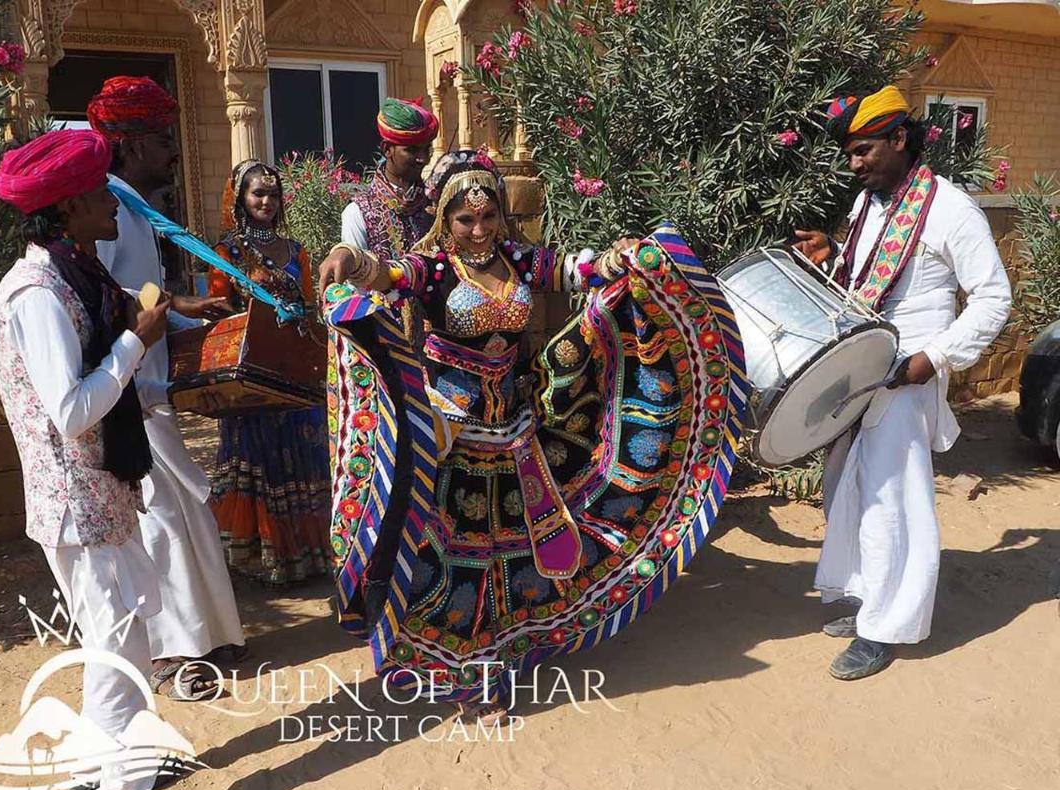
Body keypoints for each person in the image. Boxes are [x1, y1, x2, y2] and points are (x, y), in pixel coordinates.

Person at [318, 151, 747, 724]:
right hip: (453, 435)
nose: (478, 229)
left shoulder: (519, 260)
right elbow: (386, 274)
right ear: (446, 219)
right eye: (466, 220)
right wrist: (350, 255)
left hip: (516, 429)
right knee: (453, 551)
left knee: (512, 549)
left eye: (488, 216)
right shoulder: (436, 269)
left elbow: (578, 269)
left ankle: (502, 651)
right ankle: (460, 667)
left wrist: (621, 258)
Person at [0, 128, 226, 790]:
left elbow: (136, 306)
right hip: (79, 503)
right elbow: (71, 410)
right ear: (64, 210)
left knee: (114, 642)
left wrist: (189, 316)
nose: (112, 205)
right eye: (97, 194)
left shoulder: (76, 276)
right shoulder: (37, 295)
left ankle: (99, 778)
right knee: (122, 652)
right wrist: (136, 345)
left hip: (100, 496)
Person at [793, 86, 1011, 680]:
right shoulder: (873, 205)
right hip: (862, 371)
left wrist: (932, 359)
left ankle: (886, 629)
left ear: (899, 139)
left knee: (894, 499)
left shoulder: (951, 209)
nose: (855, 163)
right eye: (851, 153)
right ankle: (868, 594)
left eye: (865, 150)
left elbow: (994, 298)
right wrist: (832, 251)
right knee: (850, 484)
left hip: (906, 378)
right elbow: (870, 274)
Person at [87, 75, 246, 699]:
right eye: (159, 138)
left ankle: (211, 636)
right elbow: (106, 296)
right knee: (160, 521)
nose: (172, 150)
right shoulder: (109, 210)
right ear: (126, 145)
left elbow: (143, 298)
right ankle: (173, 654)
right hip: (127, 395)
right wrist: (168, 306)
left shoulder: (132, 208)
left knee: (186, 512)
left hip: (152, 393)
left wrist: (185, 313)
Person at [208, 160, 333, 584]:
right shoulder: (229, 253)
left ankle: (308, 555)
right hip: (254, 368)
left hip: (294, 365)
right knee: (258, 454)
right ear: (241, 198)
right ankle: (263, 559)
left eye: (273, 194)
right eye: (257, 193)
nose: (266, 201)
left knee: (304, 453)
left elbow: (311, 304)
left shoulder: (296, 250)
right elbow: (220, 308)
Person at [340, 97, 437, 260]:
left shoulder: (435, 203)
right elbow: (357, 280)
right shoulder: (359, 211)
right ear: (387, 149)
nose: (423, 159)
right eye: (412, 150)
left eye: (426, 150)